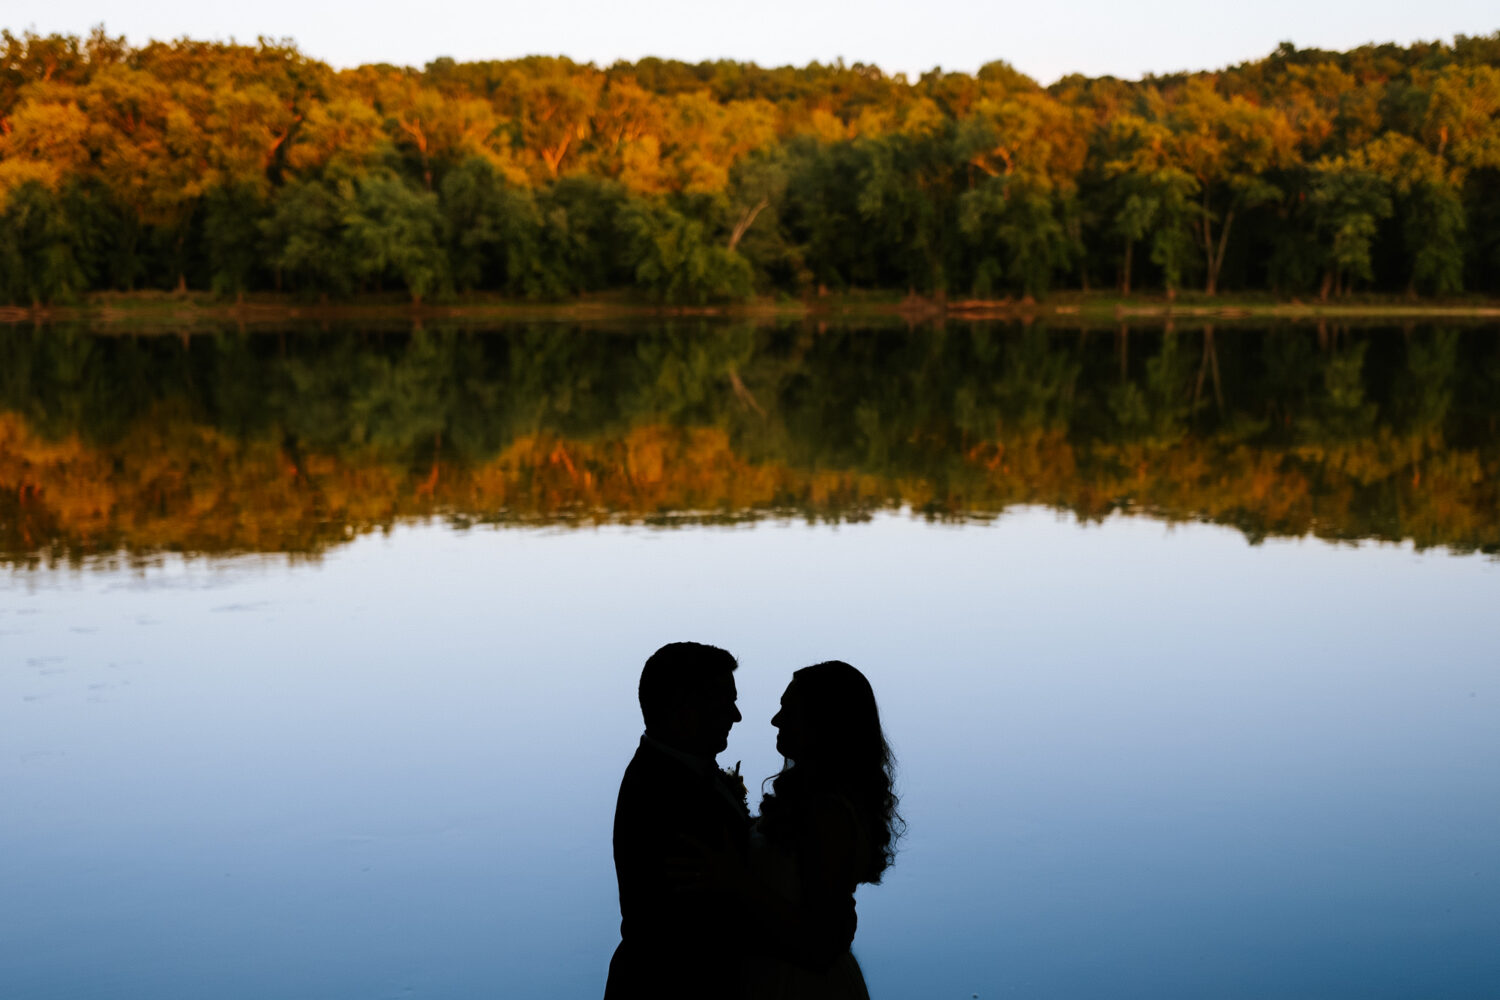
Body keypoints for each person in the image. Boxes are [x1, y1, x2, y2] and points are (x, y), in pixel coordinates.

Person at [741, 660, 903, 1000]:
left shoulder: (829, 814)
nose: (776, 720)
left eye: (789, 711)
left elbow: (822, 939)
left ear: (825, 724)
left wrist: (730, 880)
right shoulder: (814, 803)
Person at [604, 641, 750, 1000]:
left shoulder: (685, 773)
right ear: (686, 707)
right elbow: (700, 921)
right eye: (725, 701)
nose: (736, 715)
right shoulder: (660, 790)